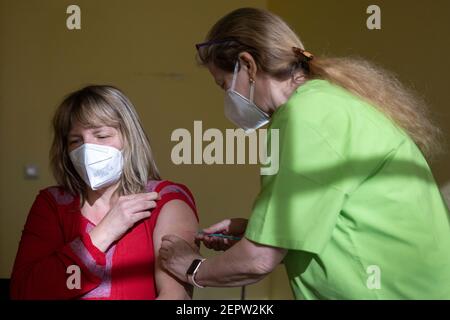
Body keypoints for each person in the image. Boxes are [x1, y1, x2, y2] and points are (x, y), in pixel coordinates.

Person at [159, 7, 450, 299]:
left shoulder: (306, 116)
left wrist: (194, 268)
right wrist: (261, 232)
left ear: (247, 65)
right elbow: (338, 221)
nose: (228, 98)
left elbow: (258, 259)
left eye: (224, 85)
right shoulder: (327, 102)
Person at [10, 85, 199, 300]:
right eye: (75, 141)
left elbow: (175, 296)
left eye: (101, 136)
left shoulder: (164, 200)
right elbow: (25, 291)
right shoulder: (52, 204)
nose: (88, 149)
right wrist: (106, 230)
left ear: (129, 139)